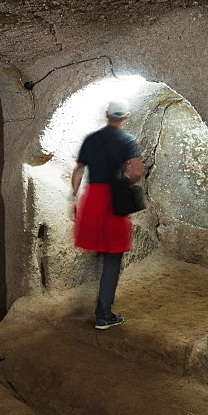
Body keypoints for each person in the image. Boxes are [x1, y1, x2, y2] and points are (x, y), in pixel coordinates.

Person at [71, 99, 145, 330]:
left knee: (100, 248)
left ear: (106, 115)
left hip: (92, 198)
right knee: (113, 258)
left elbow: (78, 171)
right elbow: (137, 171)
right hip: (112, 199)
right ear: (126, 117)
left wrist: (73, 198)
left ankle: (103, 309)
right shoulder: (128, 140)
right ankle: (103, 315)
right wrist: (123, 183)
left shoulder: (91, 139)